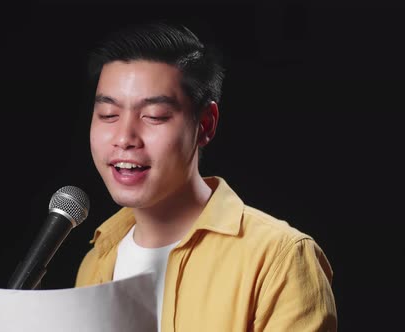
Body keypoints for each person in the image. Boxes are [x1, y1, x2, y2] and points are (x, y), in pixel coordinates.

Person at [74, 22, 337, 332]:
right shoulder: (95, 264)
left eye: (154, 116)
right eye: (108, 115)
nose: (124, 138)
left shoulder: (278, 259)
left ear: (205, 124)